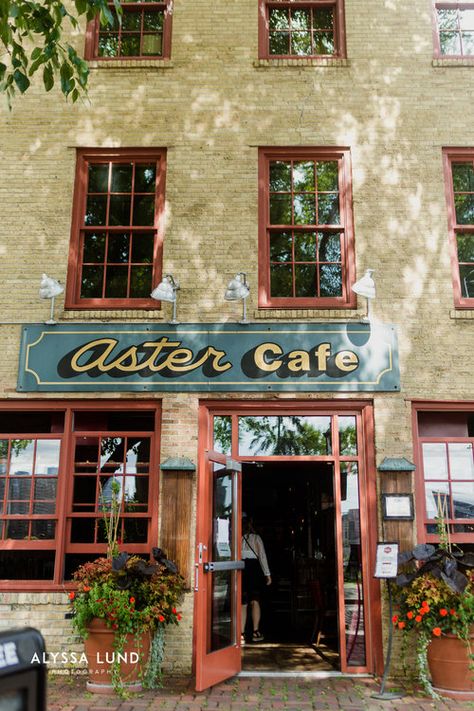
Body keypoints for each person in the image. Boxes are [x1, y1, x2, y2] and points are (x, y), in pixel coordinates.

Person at [241, 513, 271, 643]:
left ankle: (241, 634)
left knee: (243, 603)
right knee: (255, 600)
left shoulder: (237, 537)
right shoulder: (256, 538)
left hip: (241, 568)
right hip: (254, 569)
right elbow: (262, 556)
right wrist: (267, 574)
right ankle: (255, 631)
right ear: (250, 523)